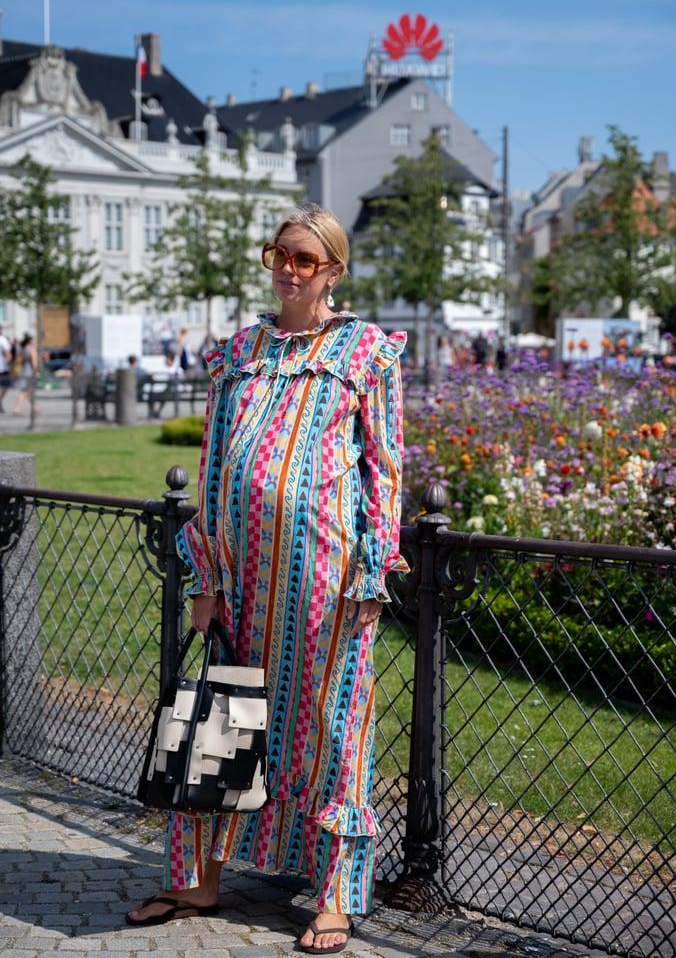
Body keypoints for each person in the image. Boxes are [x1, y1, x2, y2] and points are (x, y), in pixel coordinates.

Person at [126, 203, 409, 954]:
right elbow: (216, 468)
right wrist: (206, 577)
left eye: (305, 259)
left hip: (327, 580)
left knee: (329, 729)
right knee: (224, 719)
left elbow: (384, 471)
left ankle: (333, 898)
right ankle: (198, 881)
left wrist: (371, 574)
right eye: (280, 253)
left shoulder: (365, 351)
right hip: (243, 580)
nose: (288, 267)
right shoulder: (240, 351)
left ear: (333, 271)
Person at [13, 333, 40, 416]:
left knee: (28, 392)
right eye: (33, 340)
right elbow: (34, 363)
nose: (35, 341)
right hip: (29, 373)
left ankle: (34, 408)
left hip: (22, 372)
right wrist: (36, 372)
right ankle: (17, 409)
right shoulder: (32, 350)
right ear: (30, 341)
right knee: (24, 392)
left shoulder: (22, 350)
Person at [0, 324, 12, 412]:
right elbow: (8, 353)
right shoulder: (2, 340)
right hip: (2, 367)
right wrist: (10, 364)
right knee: (6, 385)